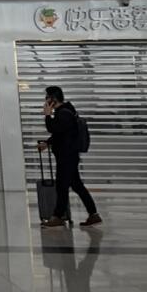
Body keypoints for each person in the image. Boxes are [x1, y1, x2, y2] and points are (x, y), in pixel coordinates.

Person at [37, 85, 101, 228]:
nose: (45, 100)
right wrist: (48, 143)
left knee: (62, 187)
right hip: (68, 155)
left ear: (53, 99)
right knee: (77, 186)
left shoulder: (64, 113)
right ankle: (93, 214)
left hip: (67, 156)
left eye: (47, 97)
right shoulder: (65, 111)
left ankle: (58, 216)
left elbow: (53, 128)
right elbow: (60, 133)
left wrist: (47, 115)